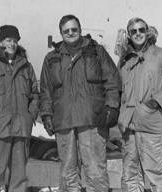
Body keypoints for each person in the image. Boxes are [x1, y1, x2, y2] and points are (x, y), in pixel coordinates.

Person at [39, 14, 121, 192]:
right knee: (68, 172)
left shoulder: (96, 52)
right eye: (66, 30)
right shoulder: (52, 58)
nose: (71, 33)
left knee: (95, 170)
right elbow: (45, 90)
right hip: (64, 121)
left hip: (92, 120)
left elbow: (112, 80)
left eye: (74, 29)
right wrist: (46, 115)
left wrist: (111, 107)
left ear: (80, 30)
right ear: (61, 33)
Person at [117, 17, 162, 192]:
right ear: (129, 35)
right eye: (133, 31)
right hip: (129, 128)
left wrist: (153, 103)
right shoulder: (125, 61)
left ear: (148, 32)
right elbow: (120, 90)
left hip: (152, 127)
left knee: (158, 176)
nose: (138, 33)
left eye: (141, 29)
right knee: (130, 177)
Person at [0, 25, 39, 192]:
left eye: (15, 41)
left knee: (19, 176)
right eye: (9, 40)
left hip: (21, 129)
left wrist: (29, 116)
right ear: (1, 41)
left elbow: (35, 94)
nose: (12, 44)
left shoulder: (26, 66)